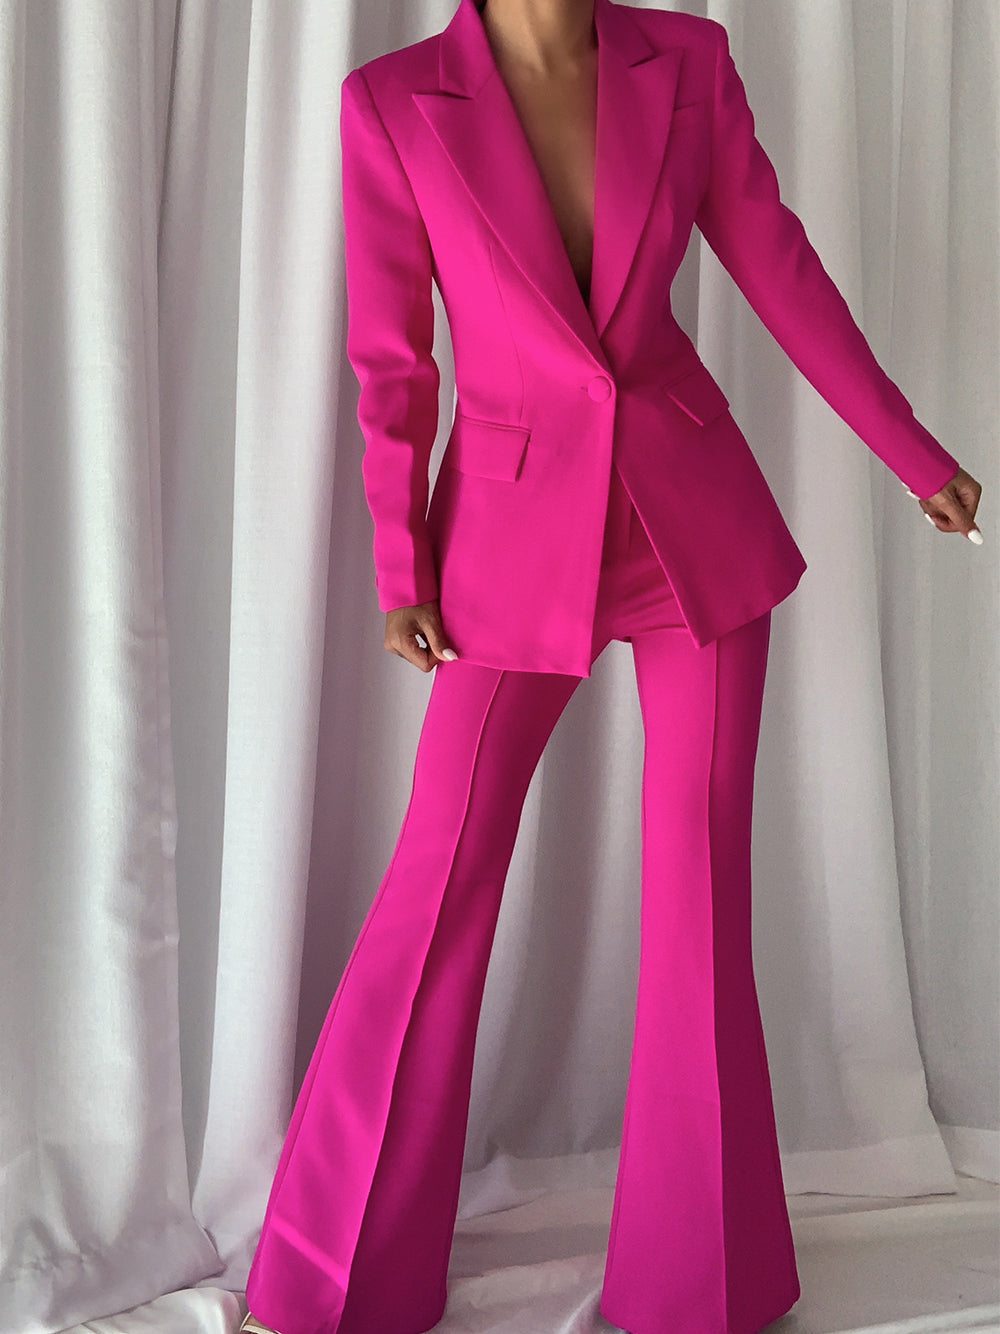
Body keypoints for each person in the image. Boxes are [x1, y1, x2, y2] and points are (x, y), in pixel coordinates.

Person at [241, 2, 984, 1332]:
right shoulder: (394, 103)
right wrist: (404, 564)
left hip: (691, 525)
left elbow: (778, 266)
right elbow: (392, 357)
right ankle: (338, 1281)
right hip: (506, 543)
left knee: (702, 891)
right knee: (440, 879)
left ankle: (700, 1286)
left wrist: (913, 452)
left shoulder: (683, 61)